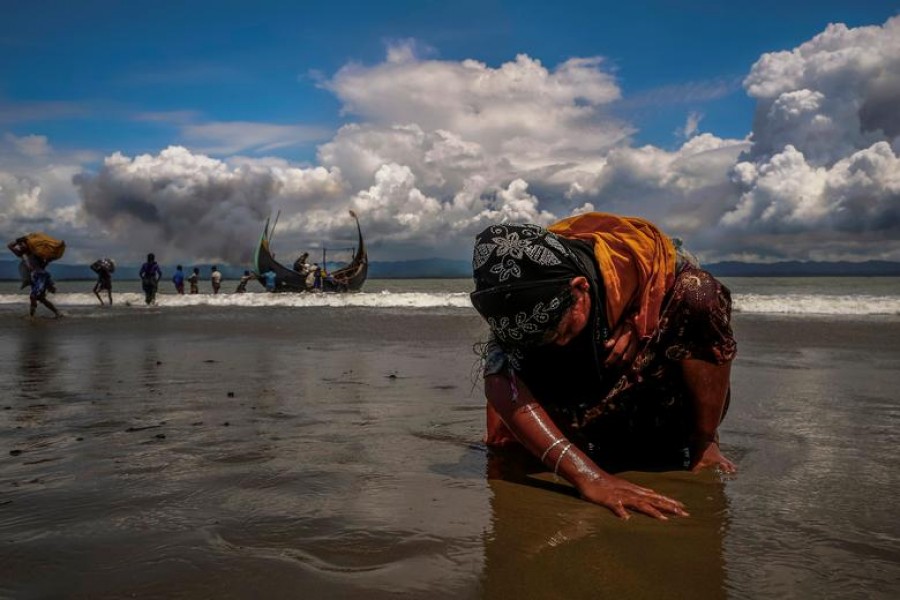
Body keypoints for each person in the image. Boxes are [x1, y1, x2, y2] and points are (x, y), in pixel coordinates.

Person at [470, 213, 737, 520]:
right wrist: (590, 478)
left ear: (580, 289)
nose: (553, 344)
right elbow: (501, 381)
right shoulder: (517, 295)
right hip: (581, 418)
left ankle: (704, 443)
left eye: (557, 331)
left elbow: (695, 308)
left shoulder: (649, 259)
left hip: (657, 407)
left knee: (698, 291)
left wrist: (641, 320)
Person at [8, 236, 62, 318]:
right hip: (34, 278)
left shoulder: (36, 254)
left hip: (41, 276)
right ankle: (56, 313)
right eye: (20, 244)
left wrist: (47, 261)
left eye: (23, 244)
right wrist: (17, 240)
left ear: (28, 245)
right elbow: (10, 246)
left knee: (33, 296)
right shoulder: (22, 254)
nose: (21, 245)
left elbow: (43, 266)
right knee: (41, 298)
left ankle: (32, 316)